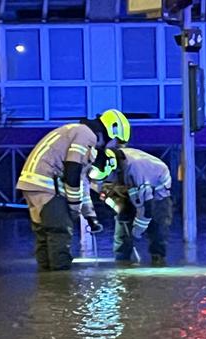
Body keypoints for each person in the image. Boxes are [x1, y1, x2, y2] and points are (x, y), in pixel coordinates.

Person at [16, 109, 131, 271]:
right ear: (112, 130)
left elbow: (82, 182)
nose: (112, 147)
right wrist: (74, 205)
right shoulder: (86, 134)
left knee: (44, 237)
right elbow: (73, 170)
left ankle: (45, 288)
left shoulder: (77, 133)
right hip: (47, 185)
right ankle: (61, 287)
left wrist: (90, 217)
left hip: (32, 184)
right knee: (60, 233)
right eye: (116, 142)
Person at [89, 148, 173, 267]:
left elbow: (146, 210)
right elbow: (99, 189)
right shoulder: (94, 164)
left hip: (156, 191)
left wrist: (136, 232)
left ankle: (158, 260)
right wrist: (119, 208)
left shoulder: (137, 169)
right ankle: (121, 261)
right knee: (122, 227)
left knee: (157, 228)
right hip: (125, 185)